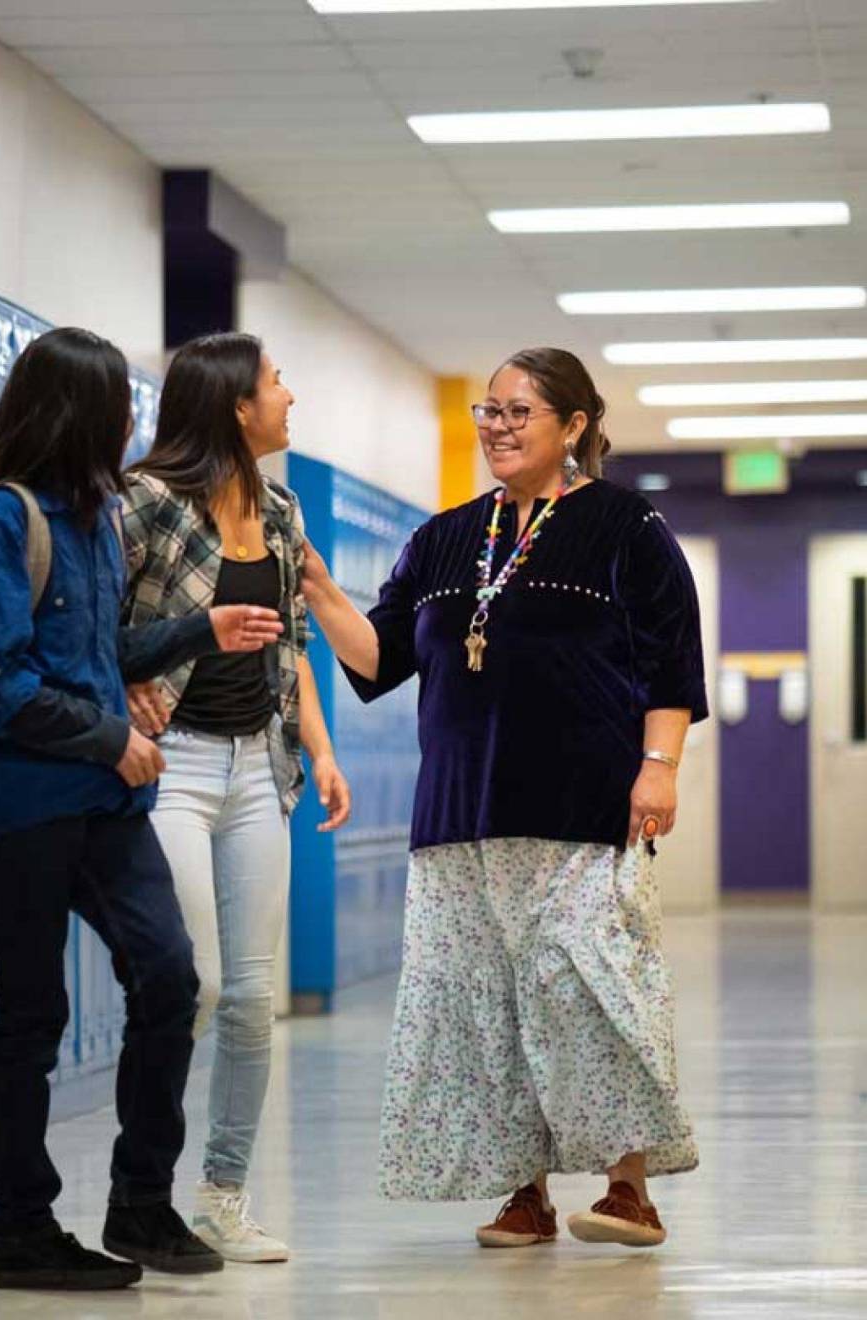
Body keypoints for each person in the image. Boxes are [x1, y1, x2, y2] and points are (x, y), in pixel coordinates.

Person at [299, 347, 706, 1250]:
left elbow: (672, 657)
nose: (498, 426)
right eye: (489, 411)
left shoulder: (623, 525)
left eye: (520, 412)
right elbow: (380, 657)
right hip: (459, 813)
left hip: (583, 801)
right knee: (483, 1002)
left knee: (588, 989)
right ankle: (522, 1192)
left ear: (573, 427)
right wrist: (321, 589)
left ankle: (627, 1186)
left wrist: (661, 764)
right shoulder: (445, 537)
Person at [0, 327, 286, 1291]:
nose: (134, 420)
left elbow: (98, 662)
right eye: (120, 405)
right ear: (77, 412)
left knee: (171, 980)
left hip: (104, 803)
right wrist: (108, 739)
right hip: (21, 810)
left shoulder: (91, 520)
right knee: (31, 1012)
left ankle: (141, 1203)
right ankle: (20, 1229)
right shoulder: (3, 525)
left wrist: (195, 631)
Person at [121, 333, 351, 1263]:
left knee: (255, 999)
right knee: (197, 983)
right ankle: (142, 1190)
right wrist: (119, 700)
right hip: (172, 762)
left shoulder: (283, 511)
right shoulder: (147, 505)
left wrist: (322, 752)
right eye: (275, 382)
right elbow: (89, 619)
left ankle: (221, 1194)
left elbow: (292, 643)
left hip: (260, 763)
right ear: (234, 406)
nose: (289, 396)